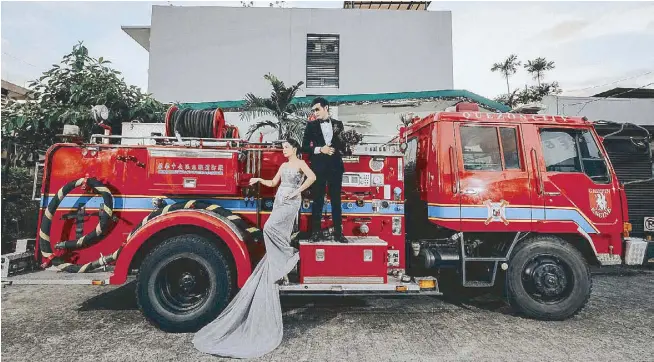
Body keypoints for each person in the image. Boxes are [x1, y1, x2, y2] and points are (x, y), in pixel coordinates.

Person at [192, 139, 316, 359]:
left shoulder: (300, 164)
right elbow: (273, 183)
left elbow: (313, 178)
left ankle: (286, 258)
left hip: (290, 201)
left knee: (270, 229)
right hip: (280, 198)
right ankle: (281, 266)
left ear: (295, 148)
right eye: (283, 147)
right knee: (275, 232)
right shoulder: (283, 165)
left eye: (287, 147)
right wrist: (259, 179)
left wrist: (297, 191)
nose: (284, 150)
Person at [301, 97, 348, 243]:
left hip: (335, 167)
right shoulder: (311, 126)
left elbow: (341, 146)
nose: (315, 113)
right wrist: (321, 149)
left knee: (336, 200)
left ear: (326, 107)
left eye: (317, 109)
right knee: (318, 200)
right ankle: (315, 233)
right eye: (313, 110)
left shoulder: (338, 124)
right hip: (318, 167)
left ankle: (338, 233)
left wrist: (345, 148)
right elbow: (304, 147)